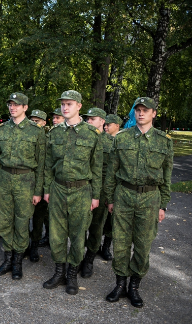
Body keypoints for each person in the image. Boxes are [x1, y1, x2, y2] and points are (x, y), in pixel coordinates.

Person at [104, 97, 173, 308]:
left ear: (154, 113)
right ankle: (120, 284)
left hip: (150, 199)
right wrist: (110, 198)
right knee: (121, 243)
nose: (141, 113)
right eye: (138, 110)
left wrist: (163, 205)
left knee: (143, 246)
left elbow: (166, 176)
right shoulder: (121, 138)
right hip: (124, 196)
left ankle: (134, 287)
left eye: (146, 110)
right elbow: (112, 173)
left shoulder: (164, 141)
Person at [43, 90, 103, 295]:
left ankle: (72, 275)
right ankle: (59, 272)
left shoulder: (92, 134)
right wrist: (47, 189)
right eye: (62, 104)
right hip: (58, 189)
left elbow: (97, 168)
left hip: (81, 190)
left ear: (79, 106)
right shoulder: (54, 133)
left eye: (69, 104)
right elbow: (48, 164)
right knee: (56, 234)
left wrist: (95, 196)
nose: (65, 107)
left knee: (78, 235)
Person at [0, 94, 45, 279]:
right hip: (5, 179)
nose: (12, 108)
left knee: (22, 222)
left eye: (16, 105)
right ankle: (7, 258)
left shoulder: (36, 131)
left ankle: (17, 261)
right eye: (10, 105)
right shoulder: (2, 129)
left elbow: (41, 164)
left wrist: (38, 191)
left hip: (26, 180)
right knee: (4, 221)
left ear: (25, 107)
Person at [79, 107, 114, 278]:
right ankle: (77, 257)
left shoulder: (111, 142)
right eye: (87, 119)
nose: (89, 122)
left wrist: (109, 195)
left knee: (96, 227)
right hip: (82, 189)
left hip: (101, 192)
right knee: (79, 226)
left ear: (102, 121)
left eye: (93, 119)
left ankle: (89, 259)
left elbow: (114, 171)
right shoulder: (81, 137)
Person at [99, 113, 124, 260]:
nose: (106, 126)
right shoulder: (102, 140)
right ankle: (94, 245)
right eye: (105, 124)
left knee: (112, 219)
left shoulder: (122, 142)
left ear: (117, 125)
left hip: (118, 186)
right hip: (103, 185)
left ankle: (106, 247)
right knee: (98, 218)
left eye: (109, 124)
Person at [28, 109, 50, 259]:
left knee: (38, 218)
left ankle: (34, 246)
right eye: (32, 120)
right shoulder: (29, 136)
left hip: (42, 185)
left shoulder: (50, 138)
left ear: (44, 122)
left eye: (37, 121)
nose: (34, 123)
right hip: (26, 183)